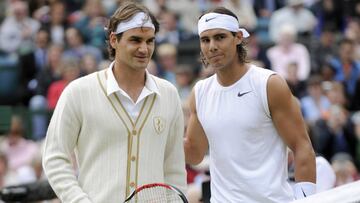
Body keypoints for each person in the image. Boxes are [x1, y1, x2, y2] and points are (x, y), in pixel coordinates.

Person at [42, 1, 187, 202]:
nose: (144, 49)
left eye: (150, 41)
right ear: (113, 40)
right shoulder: (78, 92)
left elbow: (175, 169)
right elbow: (55, 158)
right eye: (135, 40)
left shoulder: (169, 94)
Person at [184, 7, 316, 202]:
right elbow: (194, 155)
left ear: (238, 37)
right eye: (205, 40)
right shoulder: (200, 92)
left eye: (220, 37)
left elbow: (302, 146)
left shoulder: (269, 84)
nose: (212, 46)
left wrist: (307, 198)